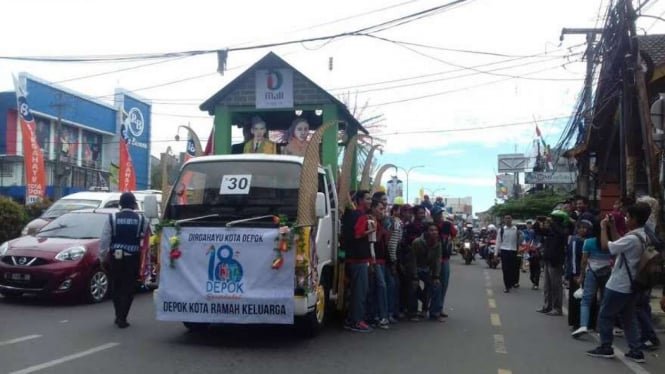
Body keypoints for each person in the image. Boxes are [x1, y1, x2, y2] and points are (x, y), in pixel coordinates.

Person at [587, 202, 652, 363]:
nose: (625, 219)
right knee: (628, 317)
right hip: (632, 284)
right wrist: (613, 227)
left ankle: (606, 347)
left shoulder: (632, 238)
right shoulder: (642, 236)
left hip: (619, 284)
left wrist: (603, 228)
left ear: (635, 219)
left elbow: (607, 246)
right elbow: (619, 243)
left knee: (605, 315)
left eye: (628, 217)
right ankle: (636, 350)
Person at [99, 192, 149, 328]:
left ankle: (118, 314)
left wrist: (102, 258)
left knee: (116, 286)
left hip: (116, 258)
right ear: (134, 204)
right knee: (129, 288)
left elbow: (104, 240)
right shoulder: (142, 220)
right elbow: (147, 241)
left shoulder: (112, 218)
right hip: (133, 259)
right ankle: (123, 317)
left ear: (120, 204)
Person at [344, 190, 375, 333]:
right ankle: (357, 321)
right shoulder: (360, 216)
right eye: (367, 199)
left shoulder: (350, 214)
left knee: (356, 291)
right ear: (360, 200)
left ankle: (353, 319)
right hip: (359, 259)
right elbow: (358, 234)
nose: (370, 201)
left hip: (351, 257)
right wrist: (371, 230)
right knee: (360, 292)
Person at [572, 222, 609, 338]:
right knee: (604, 300)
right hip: (608, 273)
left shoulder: (588, 242)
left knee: (586, 300)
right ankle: (600, 326)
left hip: (592, 272)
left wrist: (581, 276)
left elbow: (583, 262)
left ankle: (583, 325)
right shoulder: (610, 243)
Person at [408, 223, 443, 322]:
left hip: (428, 269)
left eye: (435, 230)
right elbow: (413, 260)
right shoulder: (417, 242)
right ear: (426, 232)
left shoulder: (438, 244)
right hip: (416, 268)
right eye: (431, 230)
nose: (434, 232)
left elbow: (437, 261)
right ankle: (413, 312)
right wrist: (414, 277)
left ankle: (434, 313)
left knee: (437, 286)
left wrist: (436, 276)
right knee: (413, 286)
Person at [535, 211, 568, 315]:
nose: (550, 220)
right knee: (547, 286)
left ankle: (557, 308)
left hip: (556, 262)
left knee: (556, 286)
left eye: (553, 219)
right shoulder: (551, 231)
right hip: (548, 260)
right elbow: (539, 231)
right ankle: (547, 306)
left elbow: (561, 233)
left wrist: (552, 224)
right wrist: (538, 221)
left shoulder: (563, 230)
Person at [566, 219, 591, 331]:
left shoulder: (585, 240)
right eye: (581, 227)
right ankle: (576, 322)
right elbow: (574, 258)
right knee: (577, 298)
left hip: (583, 272)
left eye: (585, 227)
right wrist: (576, 274)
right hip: (577, 273)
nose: (583, 229)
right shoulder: (576, 240)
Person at [495, 215, 523, 293]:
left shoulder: (516, 229)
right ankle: (507, 286)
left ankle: (511, 282)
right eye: (506, 218)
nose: (508, 220)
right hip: (504, 251)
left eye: (509, 218)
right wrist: (495, 254)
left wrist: (520, 235)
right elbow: (498, 242)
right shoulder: (501, 230)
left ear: (511, 220)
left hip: (513, 251)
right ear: (504, 220)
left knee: (512, 269)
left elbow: (520, 242)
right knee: (505, 269)